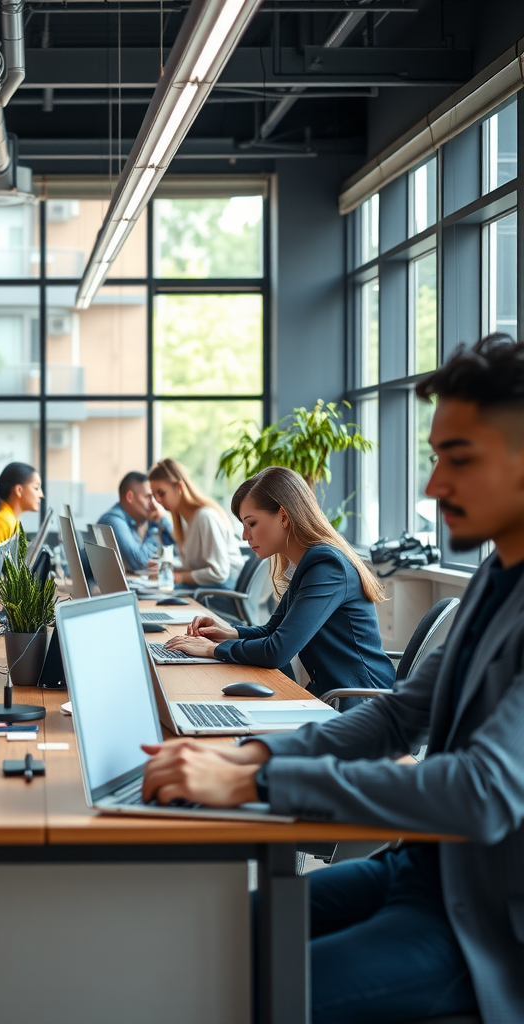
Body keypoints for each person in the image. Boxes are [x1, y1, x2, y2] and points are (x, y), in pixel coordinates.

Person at [143, 338, 524, 1024]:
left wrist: (255, 783)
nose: (434, 485)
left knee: (245, 992)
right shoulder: (496, 580)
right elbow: (396, 718)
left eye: (458, 460)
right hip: (422, 872)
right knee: (213, 936)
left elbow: (482, 792)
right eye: (435, 458)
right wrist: (252, 754)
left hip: (484, 922)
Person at [166, 465, 393, 705]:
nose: (245, 535)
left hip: (363, 705)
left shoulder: (327, 567)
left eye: (251, 523)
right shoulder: (309, 563)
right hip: (335, 697)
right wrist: (228, 633)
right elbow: (273, 630)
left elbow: (278, 651)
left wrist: (212, 650)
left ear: (284, 516)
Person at [147, 458, 245, 588]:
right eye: (154, 496)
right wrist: (166, 566)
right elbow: (193, 567)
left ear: (179, 487)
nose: (158, 500)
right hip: (205, 589)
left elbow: (219, 572)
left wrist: (181, 577)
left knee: (162, 594)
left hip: (221, 592)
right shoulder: (185, 522)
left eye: (161, 493)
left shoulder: (206, 517)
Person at [96, 471, 175, 574]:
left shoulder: (138, 522)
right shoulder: (113, 520)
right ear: (130, 497)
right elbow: (140, 562)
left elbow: (176, 549)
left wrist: (162, 519)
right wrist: (154, 528)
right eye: (148, 497)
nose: (153, 504)